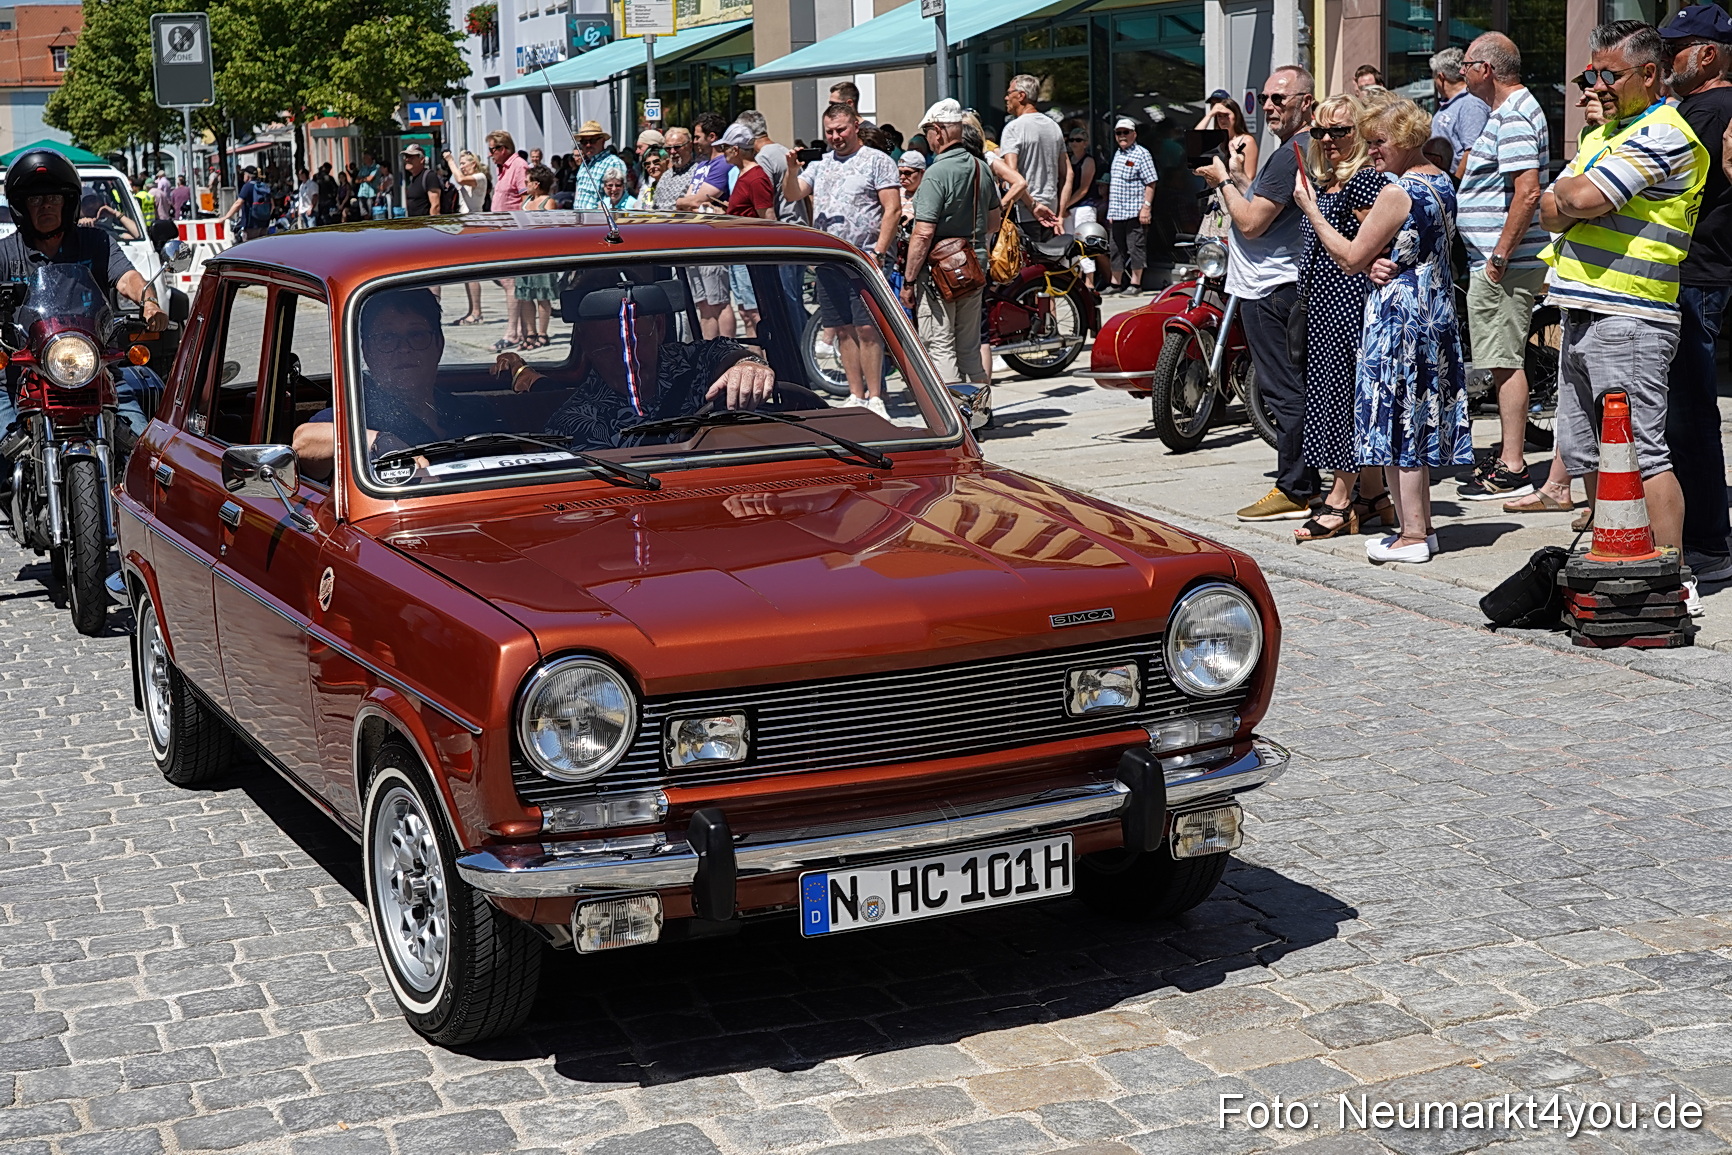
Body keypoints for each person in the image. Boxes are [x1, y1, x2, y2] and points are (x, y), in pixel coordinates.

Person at [1540, 19, 1707, 560]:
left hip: (1631, 315)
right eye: (1591, 73)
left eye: (1608, 74)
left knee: (1641, 453)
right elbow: (1550, 210)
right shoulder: (1605, 135)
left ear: (1650, 73)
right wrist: (1571, 197)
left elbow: (1580, 201)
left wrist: (1571, 197)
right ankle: (1614, 558)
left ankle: (1668, 576)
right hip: (1584, 308)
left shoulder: (1665, 132)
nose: (1596, 85)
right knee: (1588, 453)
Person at [1296, 97, 1470, 564]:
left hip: (1400, 314)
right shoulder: (1441, 180)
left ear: (1407, 140)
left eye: (1379, 143)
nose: (1372, 151)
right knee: (1417, 416)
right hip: (1434, 305)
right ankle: (1422, 528)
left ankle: (1412, 535)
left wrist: (1311, 210)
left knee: (1398, 424)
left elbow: (1350, 257)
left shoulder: (1398, 192)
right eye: (1369, 142)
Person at [1197, 65, 1320, 521]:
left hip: (1271, 287)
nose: (1268, 106)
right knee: (1292, 385)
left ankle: (1295, 487)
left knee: (1283, 390)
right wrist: (1238, 177)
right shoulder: (1301, 148)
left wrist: (1222, 182)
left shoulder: (1294, 151)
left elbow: (1249, 222)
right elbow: (1263, 207)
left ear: (1305, 102)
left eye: (1279, 99)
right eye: (1264, 98)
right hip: (1278, 282)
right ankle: (1305, 479)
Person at [0, 150, 167, 473]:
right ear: (22, 207)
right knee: (3, 460)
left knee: (146, 456)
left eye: (52, 197)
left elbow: (126, 277)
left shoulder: (96, 243)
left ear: (68, 202)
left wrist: (148, 301)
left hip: (96, 368)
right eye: (35, 199)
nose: (45, 205)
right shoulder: (6, 253)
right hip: (22, 374)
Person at [1448, 35, 1556, 509]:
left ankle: (1513, 466)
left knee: (1503, 360)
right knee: (1502, 357)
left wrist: (1498, 258)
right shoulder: (1512, 112)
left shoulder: (1512, 113)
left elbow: (1527, 192)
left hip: (1503, 263)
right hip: (1502, 259)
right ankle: (1510, 454)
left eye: (1465, 64)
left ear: (1486, 69)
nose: (1459, 72)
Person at [1289, 94, 1393, 544]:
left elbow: (1376, 244)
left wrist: (1311, 209)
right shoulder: (1330, 182)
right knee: (1341, 399)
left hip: (1350, 306)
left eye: (1340, 131)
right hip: (1328, 305)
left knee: (1339, 404)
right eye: (1320, 132)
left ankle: (1339, 499)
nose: (1328, 140)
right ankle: (1373, 495)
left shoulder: (1363, 183)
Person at [1661, 4, 1732, 584]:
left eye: (1675, 47)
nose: (1665, 59)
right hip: (1697, 273)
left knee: (1688, 415)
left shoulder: (1708, 109)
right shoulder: (1696, 108)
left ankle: (1707, 541)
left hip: (1697, 275)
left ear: (1707, 53)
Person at [784, 101, 901, 413]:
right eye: (829, 131)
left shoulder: (877, 161)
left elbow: (893, 208)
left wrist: (878, 252)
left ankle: (876, 396)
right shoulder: (821, 164)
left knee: (867, 328)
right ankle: (856, 393)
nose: (835, 136)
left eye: (841, 130)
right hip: (829, 259)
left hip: (864, 259)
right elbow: (793, 194)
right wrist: (792, 169)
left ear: (856, 127)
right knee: (842, 328)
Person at [901, 98, 1001, 390]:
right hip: (974, 266)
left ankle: (955, 422)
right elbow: (993, 224)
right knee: (970, 347)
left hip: (939, 274)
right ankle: (980, 414)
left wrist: (908, 281)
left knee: (941, 345)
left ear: (939, 131)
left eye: (928, 132)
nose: (927, 140)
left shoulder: (936, 173)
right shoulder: (982, 168)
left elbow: (922, 234)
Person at [676, 112, 737, 340]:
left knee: (719, 300)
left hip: (713, 239)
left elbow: (696, 199)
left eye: (697, 136)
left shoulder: (722, 164)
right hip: (693, 237)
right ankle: (708, 351)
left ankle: (727, 349)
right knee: (703, 302)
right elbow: (692, 198)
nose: (694, 141)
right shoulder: (702, 164)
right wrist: (686, 202)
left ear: (712, 137)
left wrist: (684, 202)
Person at [997, 73, 1066, 237]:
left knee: (1025, 262)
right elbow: (1067, 173)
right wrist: (1061, 213)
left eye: (1009, 93)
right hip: (1051, 210)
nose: (1006, 98)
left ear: (1021, 96)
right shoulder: (1054, 126)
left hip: (1024, 212)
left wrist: (1032, 205)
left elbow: (1012, 176)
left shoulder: (1013, 128)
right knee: (1048, 261)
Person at [1104, 118, 1156, 295]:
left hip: (1134, 211)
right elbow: (1116, 185)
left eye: (1126, 132)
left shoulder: (1142, 154)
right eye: (1119, 133)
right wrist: (1110, 211)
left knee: (1136, 247)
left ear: (1134, 134)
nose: (1122, 136)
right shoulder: (1118, 154)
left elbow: (1151, 182)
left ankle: (1135, 284)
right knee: (1115, 248)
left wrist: (1146, 207)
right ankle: (1115, 283)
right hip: (1117, 212)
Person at [512, 167, 560, 350]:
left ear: (536, 184)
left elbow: (549, 228)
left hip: (542, 253)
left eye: (527, 182)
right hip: (524, 252)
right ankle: (530, 333)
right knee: (525, 295)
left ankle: (542, 333)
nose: (525, 185)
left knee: (542, 295)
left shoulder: (548, 203)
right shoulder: (526, 202)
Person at [1429, 48, 1491, 174]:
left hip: (1455, 186)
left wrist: (1456, 186)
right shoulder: (1453, 102)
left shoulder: (1471, 104)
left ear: (1441, 77)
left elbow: (1471, 151)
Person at [1196, 91, 1260, 180]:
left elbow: (1250, 176)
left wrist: (1221, 177)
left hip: (1234, 190)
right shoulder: (1216, 139)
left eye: (1226, 115)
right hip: (1214, 190)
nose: (1222, 120)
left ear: (1236, 116)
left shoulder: (1246, 140)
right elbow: (1195, 137)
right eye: (1219, 116)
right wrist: (1210, 114)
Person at [571, 120, 627, 211]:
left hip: (599, 220)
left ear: (603, 141)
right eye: (584, 142)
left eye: (592, 140)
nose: (588, 145)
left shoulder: (613, 163)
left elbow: (619, 196)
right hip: (580, 219)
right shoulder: (585, 164)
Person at [225, 166, 274, 242]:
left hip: (251, 225)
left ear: (247, 176)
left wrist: (226, 217)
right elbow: (272, 206)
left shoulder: (247, 186)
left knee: (250, 249)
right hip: (264, 224)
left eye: (244, 174)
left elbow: (238, 203)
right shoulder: (264, 186)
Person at [653, 127, 697, 211]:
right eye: (668, 148)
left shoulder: (698, 172)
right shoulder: (666, 175)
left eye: (677, 147)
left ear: (690, 146)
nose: (672, 152)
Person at [487, 131, 528, 211]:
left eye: (491, 150)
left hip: (513, 222)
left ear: (502, 149)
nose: (489, 154)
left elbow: (526, 199)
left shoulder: (519, 166)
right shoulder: (502, 167)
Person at [400, 145, 440, 217]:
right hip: (415, 225)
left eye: (411, 157)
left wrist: (433, 226)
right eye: (406, 156)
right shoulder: (412, 178)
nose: (406, 159)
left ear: (421, 159)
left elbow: (435, 206)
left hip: (426, 226)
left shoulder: (430, 176)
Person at [897, 151, 925, 224]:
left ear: (922, 173)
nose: (902, 177)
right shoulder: (895, 192)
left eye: (908, 173)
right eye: (900, 172)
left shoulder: (926, 195)